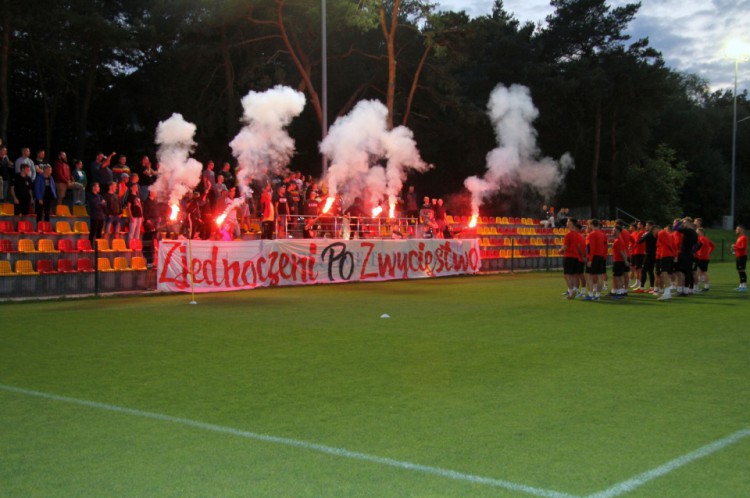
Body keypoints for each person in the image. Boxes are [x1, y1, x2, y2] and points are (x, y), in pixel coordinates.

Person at [561, 218, 586, 299]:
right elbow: (579, 247)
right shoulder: (579, 235)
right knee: (575, 275)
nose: (566, 223)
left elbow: (565, 247)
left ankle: (571, 292)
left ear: (571, 223)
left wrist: (560, 250)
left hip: (569, 256)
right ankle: (575, 290)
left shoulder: (568, 234)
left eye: (568, 221)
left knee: (566, 275)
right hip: (576, 257)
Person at [583, 219, 607, 301]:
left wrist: (590, 260)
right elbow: (604, 247)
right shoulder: (602, 234)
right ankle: (598, 295)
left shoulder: (592, 234)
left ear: (592, 225)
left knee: (588, 275)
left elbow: (592, 248)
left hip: (594, 256)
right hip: (600, 256)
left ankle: (590, 294)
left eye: (589, 225)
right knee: (599, 275)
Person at [673, 217, 698, 296]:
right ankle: (686, 290)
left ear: (688, 223)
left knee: (682, 272)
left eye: (684, 222)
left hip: (684, 253)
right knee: (687, 272)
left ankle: (682, 290)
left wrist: (679, 222)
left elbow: (675, 228)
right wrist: (692, 252)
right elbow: (696, 245)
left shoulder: (687, 231)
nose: (683, 224)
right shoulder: (695, 233)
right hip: (689, 254)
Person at [656, 223, 677, 301]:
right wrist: (674, 254)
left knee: (664, 274)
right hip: (668, 255)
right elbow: (673, 245)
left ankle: (667, 293)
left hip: (665, 255)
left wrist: (671, 252)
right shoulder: (668, 235)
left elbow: (669, 245)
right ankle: (667, 292)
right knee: (665, 274)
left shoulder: (661, 233)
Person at [610, 225, 630, 299]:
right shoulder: (618, 239)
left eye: (614, 230)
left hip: (618, 261)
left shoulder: (618, 240)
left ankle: (620, 291)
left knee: (617, 276)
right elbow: (623, 250)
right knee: (617, 276)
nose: (612, 231)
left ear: (618, 231)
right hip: (618, 260)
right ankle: (619, 291)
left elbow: (622, 251)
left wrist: (625, 260)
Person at [693, 227, 715, 292]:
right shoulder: (706, 238)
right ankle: (705, 286)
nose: (696, 233)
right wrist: (708, 252)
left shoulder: (701, 238)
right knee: (702, 272)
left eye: (697, 232)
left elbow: (700, 246)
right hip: (705, 257)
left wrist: (701, 253)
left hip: (702, 257)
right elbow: (713, 246)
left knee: (700, 272)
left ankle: (701, 286)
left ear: (701, 232)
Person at [732, 225, 747, 292]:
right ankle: (741, 285)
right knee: (739, 270)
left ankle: (744, 285)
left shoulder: (744, 237)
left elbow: (743, 247)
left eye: (737, 229)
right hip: (738, 256)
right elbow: (738, 247)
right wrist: (734, 249)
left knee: (742, 270)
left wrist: (735, 246)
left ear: (741, 230)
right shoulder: (739, 238)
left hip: (742, 256)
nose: (736, 230)